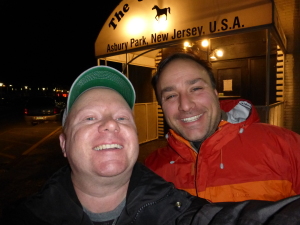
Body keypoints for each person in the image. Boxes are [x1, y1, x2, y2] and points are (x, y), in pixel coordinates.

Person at [2, 66, 300, 225]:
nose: (110, 124)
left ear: (216, 91)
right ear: (63, 144)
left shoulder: (173, 208)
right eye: (89, 117)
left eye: (121, 117)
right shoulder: (158, 167)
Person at [145, 52, 300, 203]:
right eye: (171, 96)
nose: (185, 105)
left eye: (196, 89)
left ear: (215, 93)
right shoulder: (151, 170)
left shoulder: (287, 147)